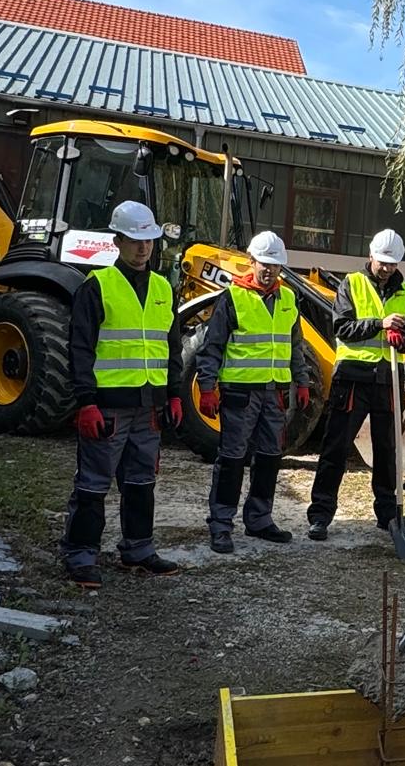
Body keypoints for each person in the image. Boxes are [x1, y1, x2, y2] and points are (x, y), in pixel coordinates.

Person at [60, 201, 183, 587]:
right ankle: (80, 555)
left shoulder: (165, 288)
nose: (143, 248)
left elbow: (172, 347)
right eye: (134, 240)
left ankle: (138, 549)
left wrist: (175, 394)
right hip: (108, 407)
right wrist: (86, 401)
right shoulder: (97, 287)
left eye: (148, 239)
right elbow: (80, 348)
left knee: (141, 482)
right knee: (93, 484)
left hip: (149, 407)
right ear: (117, 241)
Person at [197, 231, 311, 553]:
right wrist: (207, 388)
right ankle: (221, 524)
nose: (269, 271)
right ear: (252, 261)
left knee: (270, 459)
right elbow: (212, 347)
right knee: (232, 460)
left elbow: (295, 348)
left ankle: (259, 519)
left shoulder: (288, 299)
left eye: (275, 265)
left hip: (274, 395)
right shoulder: (232, 298)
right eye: (265, 263)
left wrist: (301, 382)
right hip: (239, 395)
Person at [306, 229, 405, 542]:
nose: (386, 268)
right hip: (352, 377)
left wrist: (404, 340)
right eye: (382, 262)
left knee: (387, 451)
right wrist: (380, 325)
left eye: (392, 264)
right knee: (336, 447)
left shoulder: (403, 291)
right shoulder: (352, 284)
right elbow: (341, 328)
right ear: (370, 256)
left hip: (387, 379)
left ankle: (388, 516)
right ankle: (320, 515)